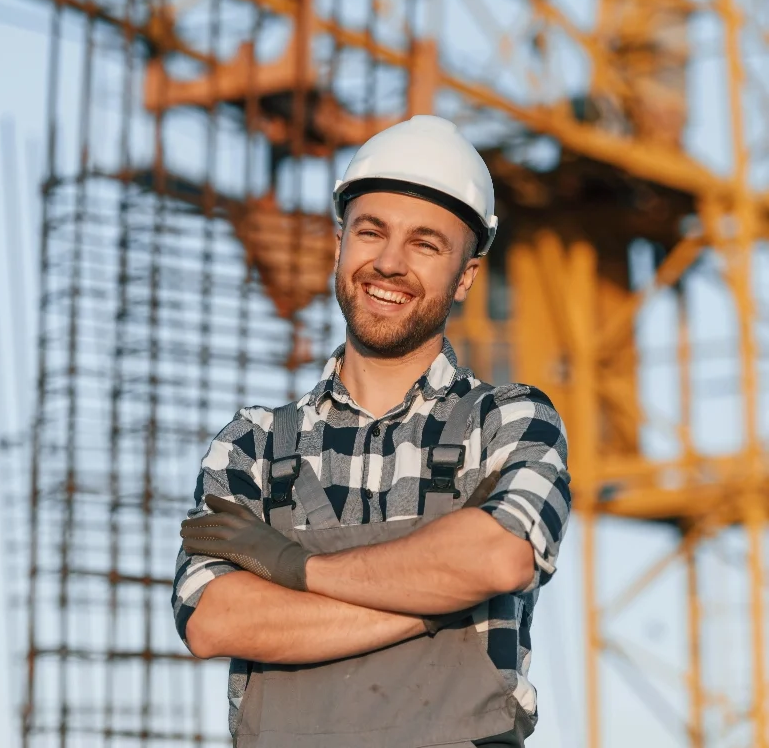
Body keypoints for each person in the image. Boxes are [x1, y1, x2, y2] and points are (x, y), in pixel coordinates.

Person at [172, 115, 571, 748]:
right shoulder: (253, 444)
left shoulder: (508, 421)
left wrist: (291, 567)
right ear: (339, 243)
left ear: (465, 276)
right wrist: (441, 591)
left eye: (425, 244)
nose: (388, 263)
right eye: (371, 231)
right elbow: (215, 620)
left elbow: (498, 556)